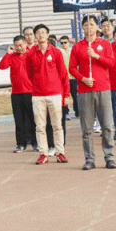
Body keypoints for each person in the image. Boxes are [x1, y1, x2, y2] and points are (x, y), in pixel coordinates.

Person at [69, 15, 116, 170]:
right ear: (82, 28)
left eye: (91, 24)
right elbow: (72, 68)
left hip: (103, 89)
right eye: (85, 25)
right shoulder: (77, 47)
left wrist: (96, 56)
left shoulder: (105, 44)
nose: (89, 27)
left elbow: (111, 63)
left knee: (107, 126)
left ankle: (109, 157)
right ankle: (89, 159)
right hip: (85, 90)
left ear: (97, 27)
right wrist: (83, 79)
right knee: (87, 128)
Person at [25, 24, 69, 165]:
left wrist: (66, 95)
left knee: (57, 125)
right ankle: (43, 154)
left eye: (43, 32)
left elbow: (63, 74)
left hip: (55, 94)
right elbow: (29, 73)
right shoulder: (31, 53)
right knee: (40, 127)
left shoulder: (56, 52)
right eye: (38, 33)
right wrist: (38, 84)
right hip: (38, 96)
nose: (41, 35)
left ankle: (60, 152)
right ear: (35, 36)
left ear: (48, 35)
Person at [0, 35, 36, 153]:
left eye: (21, 45)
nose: (19, 48)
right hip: (16, 93)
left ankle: (35, 142)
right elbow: (2, 66)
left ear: (25, 44)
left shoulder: (31, 55)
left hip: (30, 92)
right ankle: (21, 144)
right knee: (19, 120)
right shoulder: (12, 56)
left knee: (32, 118)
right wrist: (8, 53)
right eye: (16, 46)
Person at [59, 35, 78, 118]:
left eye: (65, 42)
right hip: (63, 78)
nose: (63, 44)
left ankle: (77, 111)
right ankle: (66, 113)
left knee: (75, 96)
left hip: (73, 77)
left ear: (69, 42)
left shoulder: (73, 51)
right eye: (61, 43)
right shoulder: (59, 51)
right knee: (64, 96)